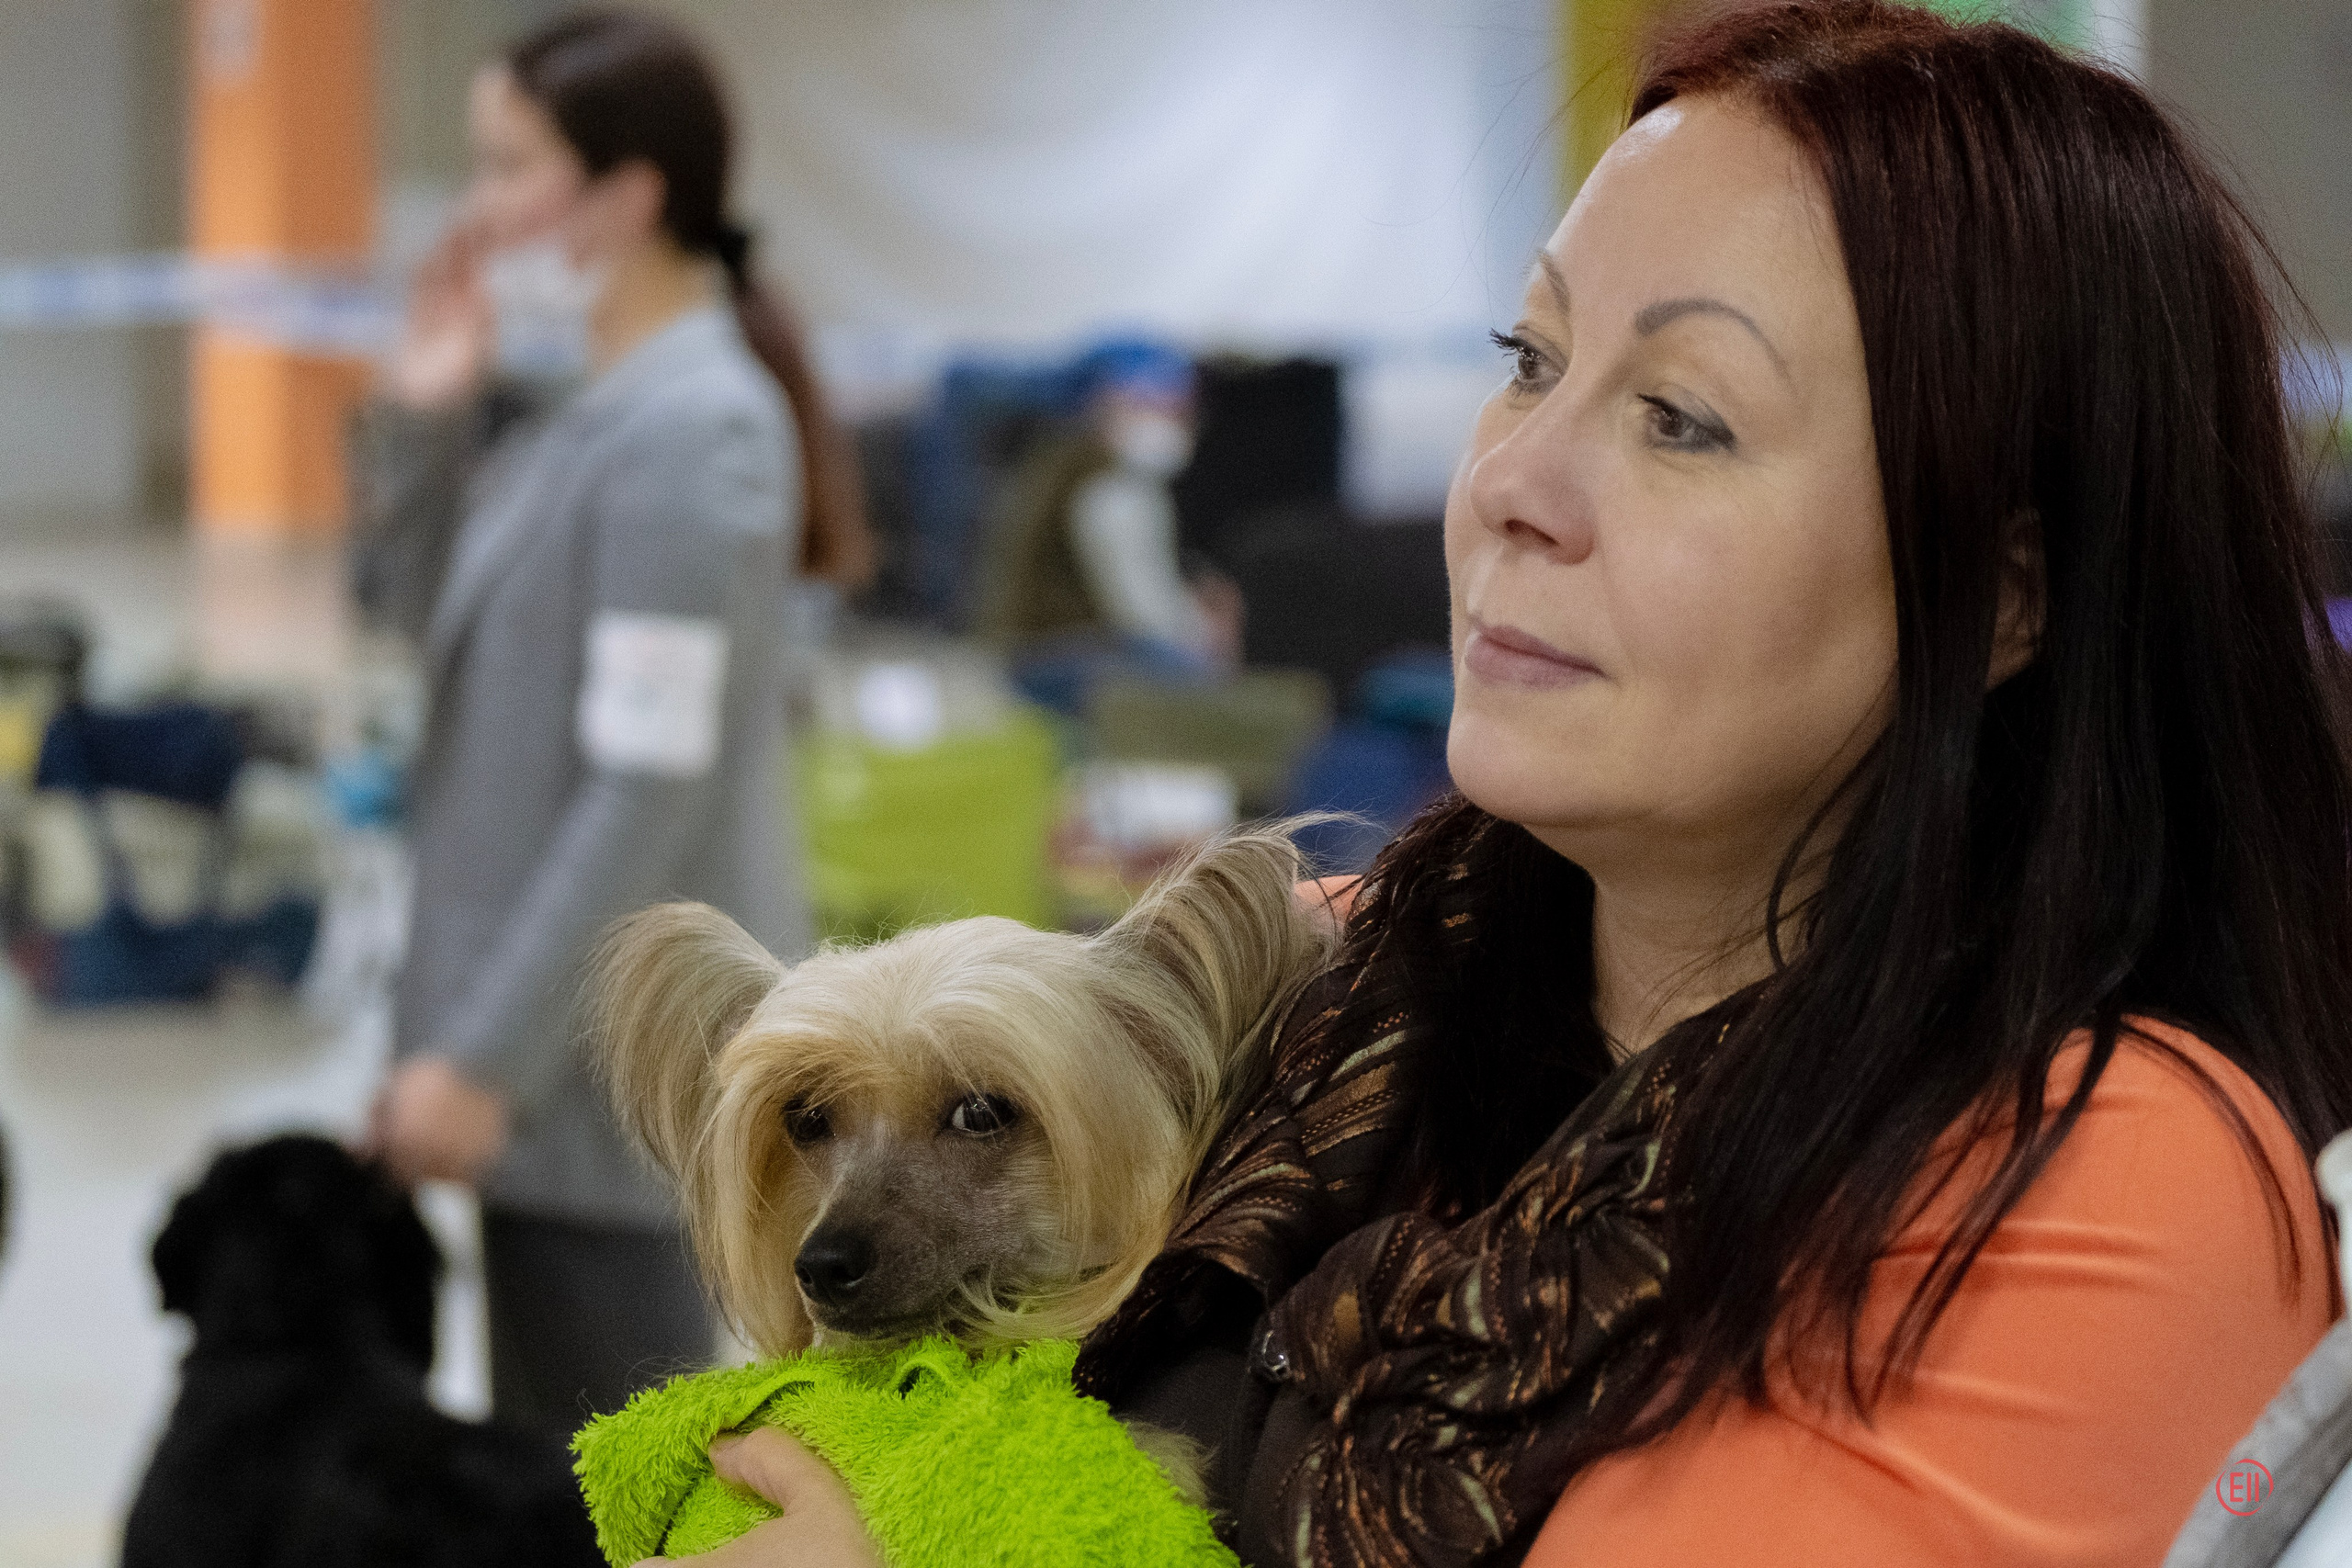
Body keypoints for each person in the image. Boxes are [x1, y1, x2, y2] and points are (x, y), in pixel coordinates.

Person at [654, 4, 2352, 1565]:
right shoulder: (1327, 990)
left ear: (2007, 595)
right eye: (1530, 359)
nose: (1513, 480)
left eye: (1683, 417)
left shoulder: (2099, 1183)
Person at [354, 8, 867, 1435]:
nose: (479, 208)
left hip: (600, 1070)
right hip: (534, 1039)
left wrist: (483, 1059)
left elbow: (645, 784)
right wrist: (426, 417)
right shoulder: (591, 413)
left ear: (628, 195)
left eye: (509, 166)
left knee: (614, 1478)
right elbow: (424, 632)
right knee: (548, 1469)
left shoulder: (695, 431)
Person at [974, 341, 1243, 714]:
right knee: (1206, 685)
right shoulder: (1110, 487)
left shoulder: (1065, 465)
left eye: (1174, 409)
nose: (1164, 420)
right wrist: (1207, 640)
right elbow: (1143, 611)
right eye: (1144, 405)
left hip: (1034, 651)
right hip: (1057, 656)